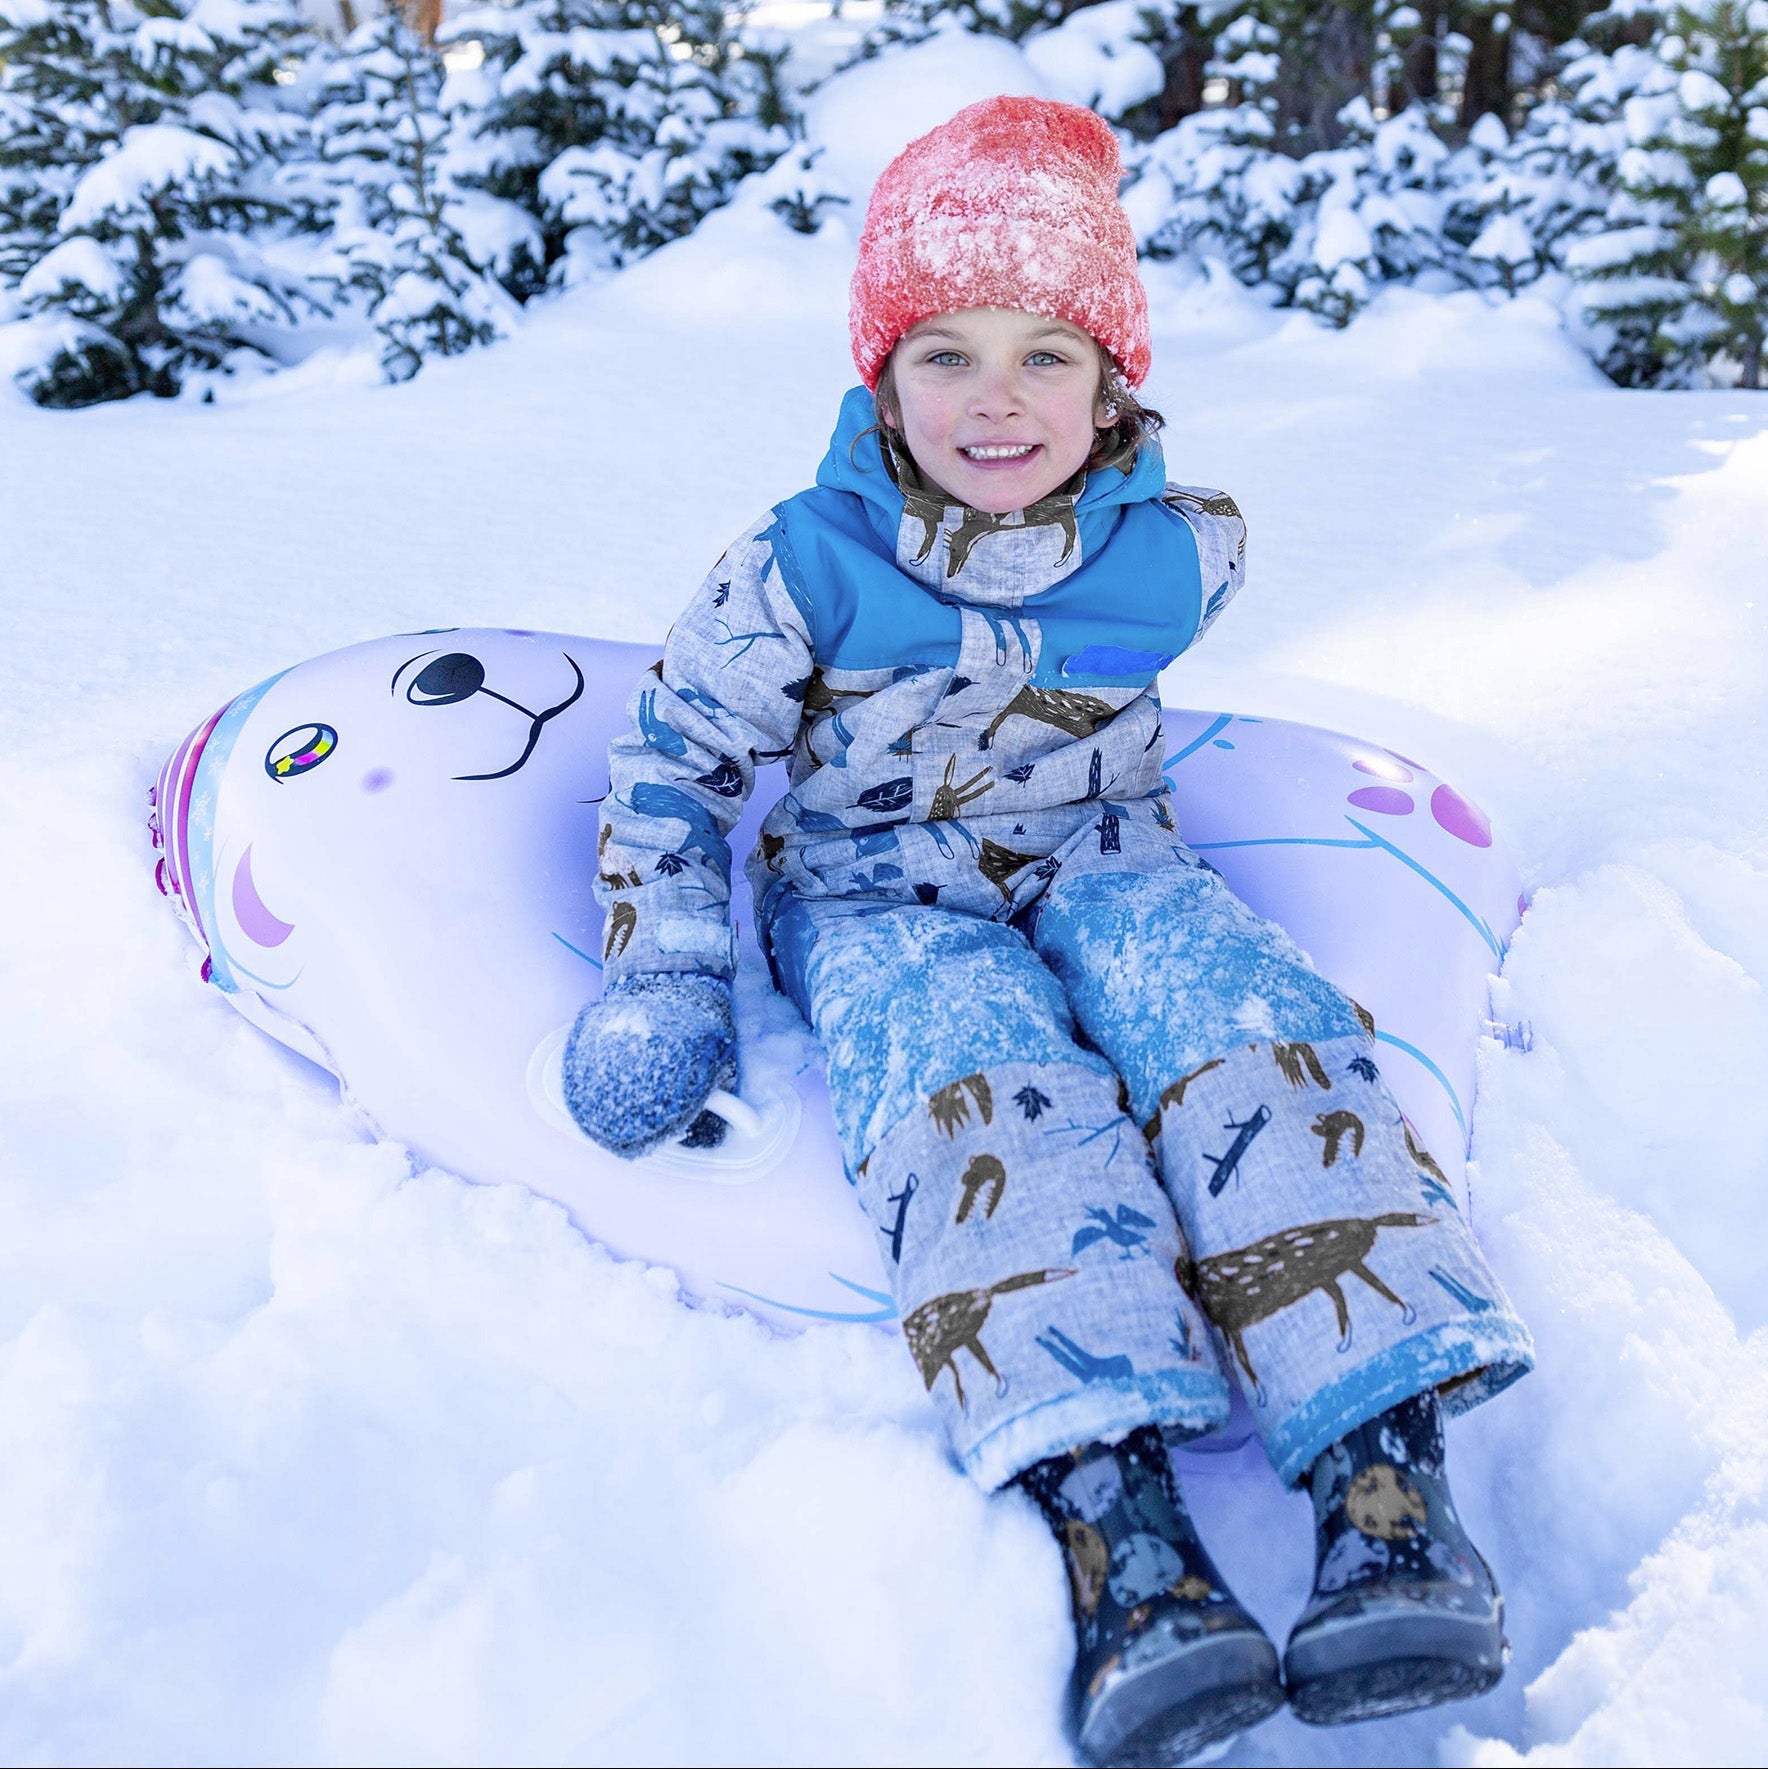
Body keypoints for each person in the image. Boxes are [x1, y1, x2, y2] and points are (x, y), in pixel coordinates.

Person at [562, 96, 1534, 1767]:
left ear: (1116, 383)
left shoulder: (1164, 556)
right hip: (875, 890)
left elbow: (1196, 557)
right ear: (877, 381)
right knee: (983, 1089)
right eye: (941, 353)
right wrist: (665, 960)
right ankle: (1125, 1537)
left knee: (1243, 1023)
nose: (994, 401)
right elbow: (672, 758)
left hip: (1107, 851)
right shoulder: (801, 567)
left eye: (1044, 354)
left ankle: (1386, 1480)